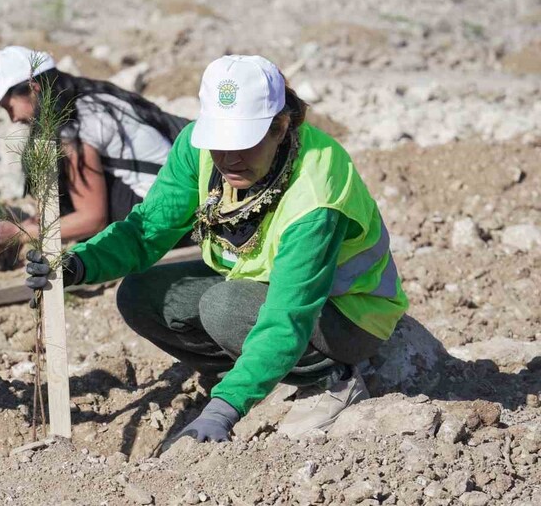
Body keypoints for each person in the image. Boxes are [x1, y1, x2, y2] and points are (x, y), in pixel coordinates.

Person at [26, 55, 409, 443]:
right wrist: (78, 264)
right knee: (141, 294)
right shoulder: (198, 150)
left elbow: (288, 314)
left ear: (281, 127)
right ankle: (252, 375)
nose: (229, 158)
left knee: (224, 307)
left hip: (347, 313)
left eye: (244, 142)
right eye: (219, 142)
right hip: (254, 285)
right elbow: (146, 230)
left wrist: (223, 411)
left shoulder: (315, 194)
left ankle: (330, 380)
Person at [0, 45, 191, 259]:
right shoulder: (86, 98)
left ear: (34, 88)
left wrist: (21, 235)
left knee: (69, 182)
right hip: (181, 201)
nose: (13, 118)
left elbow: (93, 218)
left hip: (168, 220)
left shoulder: (76, 125)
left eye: (9, 107)